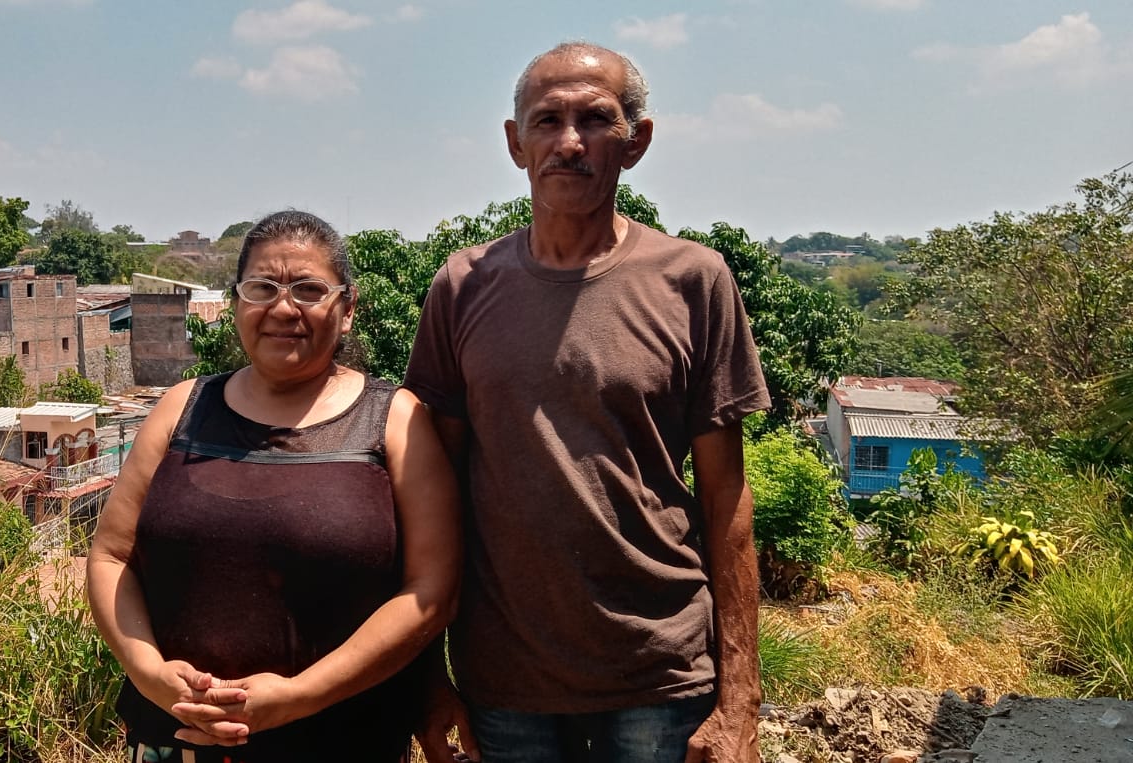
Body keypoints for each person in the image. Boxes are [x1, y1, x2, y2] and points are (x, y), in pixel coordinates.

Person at [404, 42, 769, 763]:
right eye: (547, 120)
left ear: (637, 141)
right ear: (515, 142)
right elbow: (430, 494)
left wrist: (741, 699)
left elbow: (726, 497)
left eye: (596, 120)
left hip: (658, 670)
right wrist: (428, 677)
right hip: (504, 677)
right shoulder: (462, 286)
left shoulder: (693, 280)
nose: (569, 142)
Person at [87, 210, 461, 763]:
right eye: (262, 288)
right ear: (237, 303)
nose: (284, 309)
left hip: (344, 744)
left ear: (347, 309)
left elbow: (431, 591)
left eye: (309, 290)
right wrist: (149, 673)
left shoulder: (395, 422)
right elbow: (110, 557)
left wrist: (298, 696)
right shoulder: (182, 409)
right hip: (177, 742)